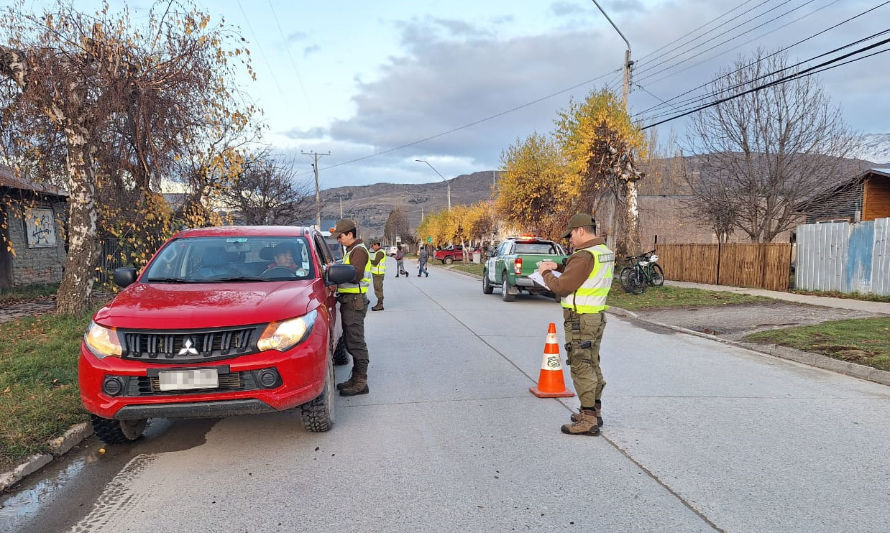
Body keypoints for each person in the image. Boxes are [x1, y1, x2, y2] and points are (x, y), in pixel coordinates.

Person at [537, 213, 614, 436]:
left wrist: (546, 273)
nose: (570, 239)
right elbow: (583, 273)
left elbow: (562, 287)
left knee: (581, 366)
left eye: (571, 234)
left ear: (581, 230)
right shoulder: (602, 252)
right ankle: (594, 411)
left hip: (580, 319)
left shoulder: (584, 256)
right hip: (595, 315)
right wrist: (560, 265)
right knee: (592, 363)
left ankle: (588, 418)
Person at [329, 219, 372, 396]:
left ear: (349, 235)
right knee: (350, 341)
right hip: (350, 301)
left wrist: (336, 273)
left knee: (356, 343)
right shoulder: (351, 251)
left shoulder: (359, 251)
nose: (338, 240)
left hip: (355, 302)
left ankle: (361, 382)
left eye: (340, 236)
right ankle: (355, 379)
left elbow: (355, 275)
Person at [369, 240, 386, 311]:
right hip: (377, 273)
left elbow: (375, 262)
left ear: (376, 245)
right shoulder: (378, 252)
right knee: (377, 289)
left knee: (378, 289)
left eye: (373, 246)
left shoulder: (380, 253)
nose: (372, 247)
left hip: (378, 274)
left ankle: (380, 305)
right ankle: (379, 304)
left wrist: (368, 260)